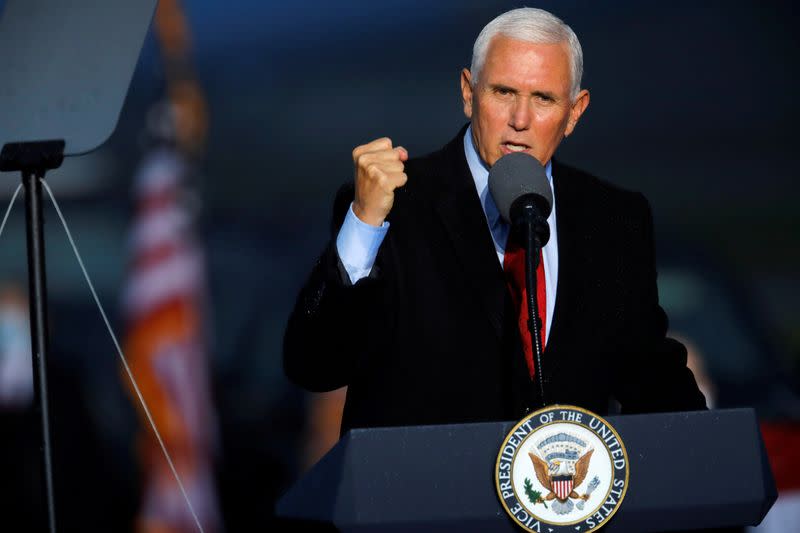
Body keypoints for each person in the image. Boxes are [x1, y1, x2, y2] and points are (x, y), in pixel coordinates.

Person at [283, 7, 706, 436]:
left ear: (575, 112)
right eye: (504, 93)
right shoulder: (396, 205)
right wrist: (364, 223)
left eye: (543, 99)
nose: (520, 121)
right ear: (468, 92)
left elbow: (652, 381)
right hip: (423, 496)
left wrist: (716, 454)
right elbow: (314, 365)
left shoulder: (614, 219)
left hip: (562, 494)